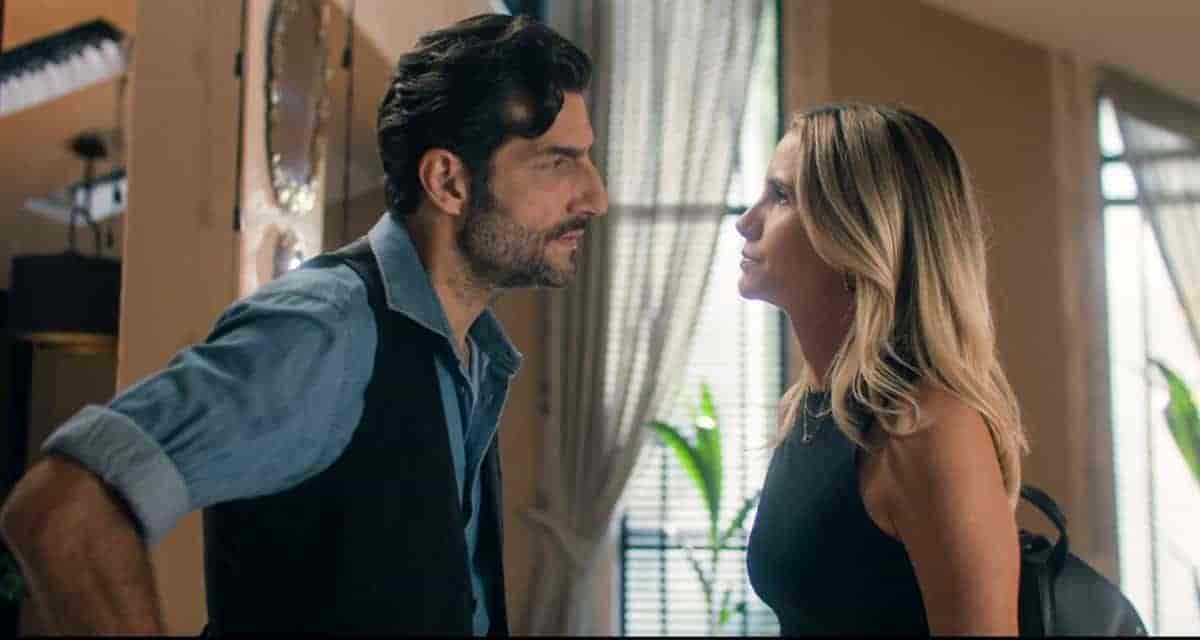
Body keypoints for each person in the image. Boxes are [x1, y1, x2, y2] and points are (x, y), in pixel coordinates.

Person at [0, 13, 607, 635]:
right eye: (559, 162)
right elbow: (63, 513)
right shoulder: (327, 328)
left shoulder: (475, 353)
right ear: (448, 181)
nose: (595, 196)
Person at [738, 104, 1028, 635]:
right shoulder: (812, 406)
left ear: (857, 232)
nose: (747, 221)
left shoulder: (926, 427)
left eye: (780, 196)